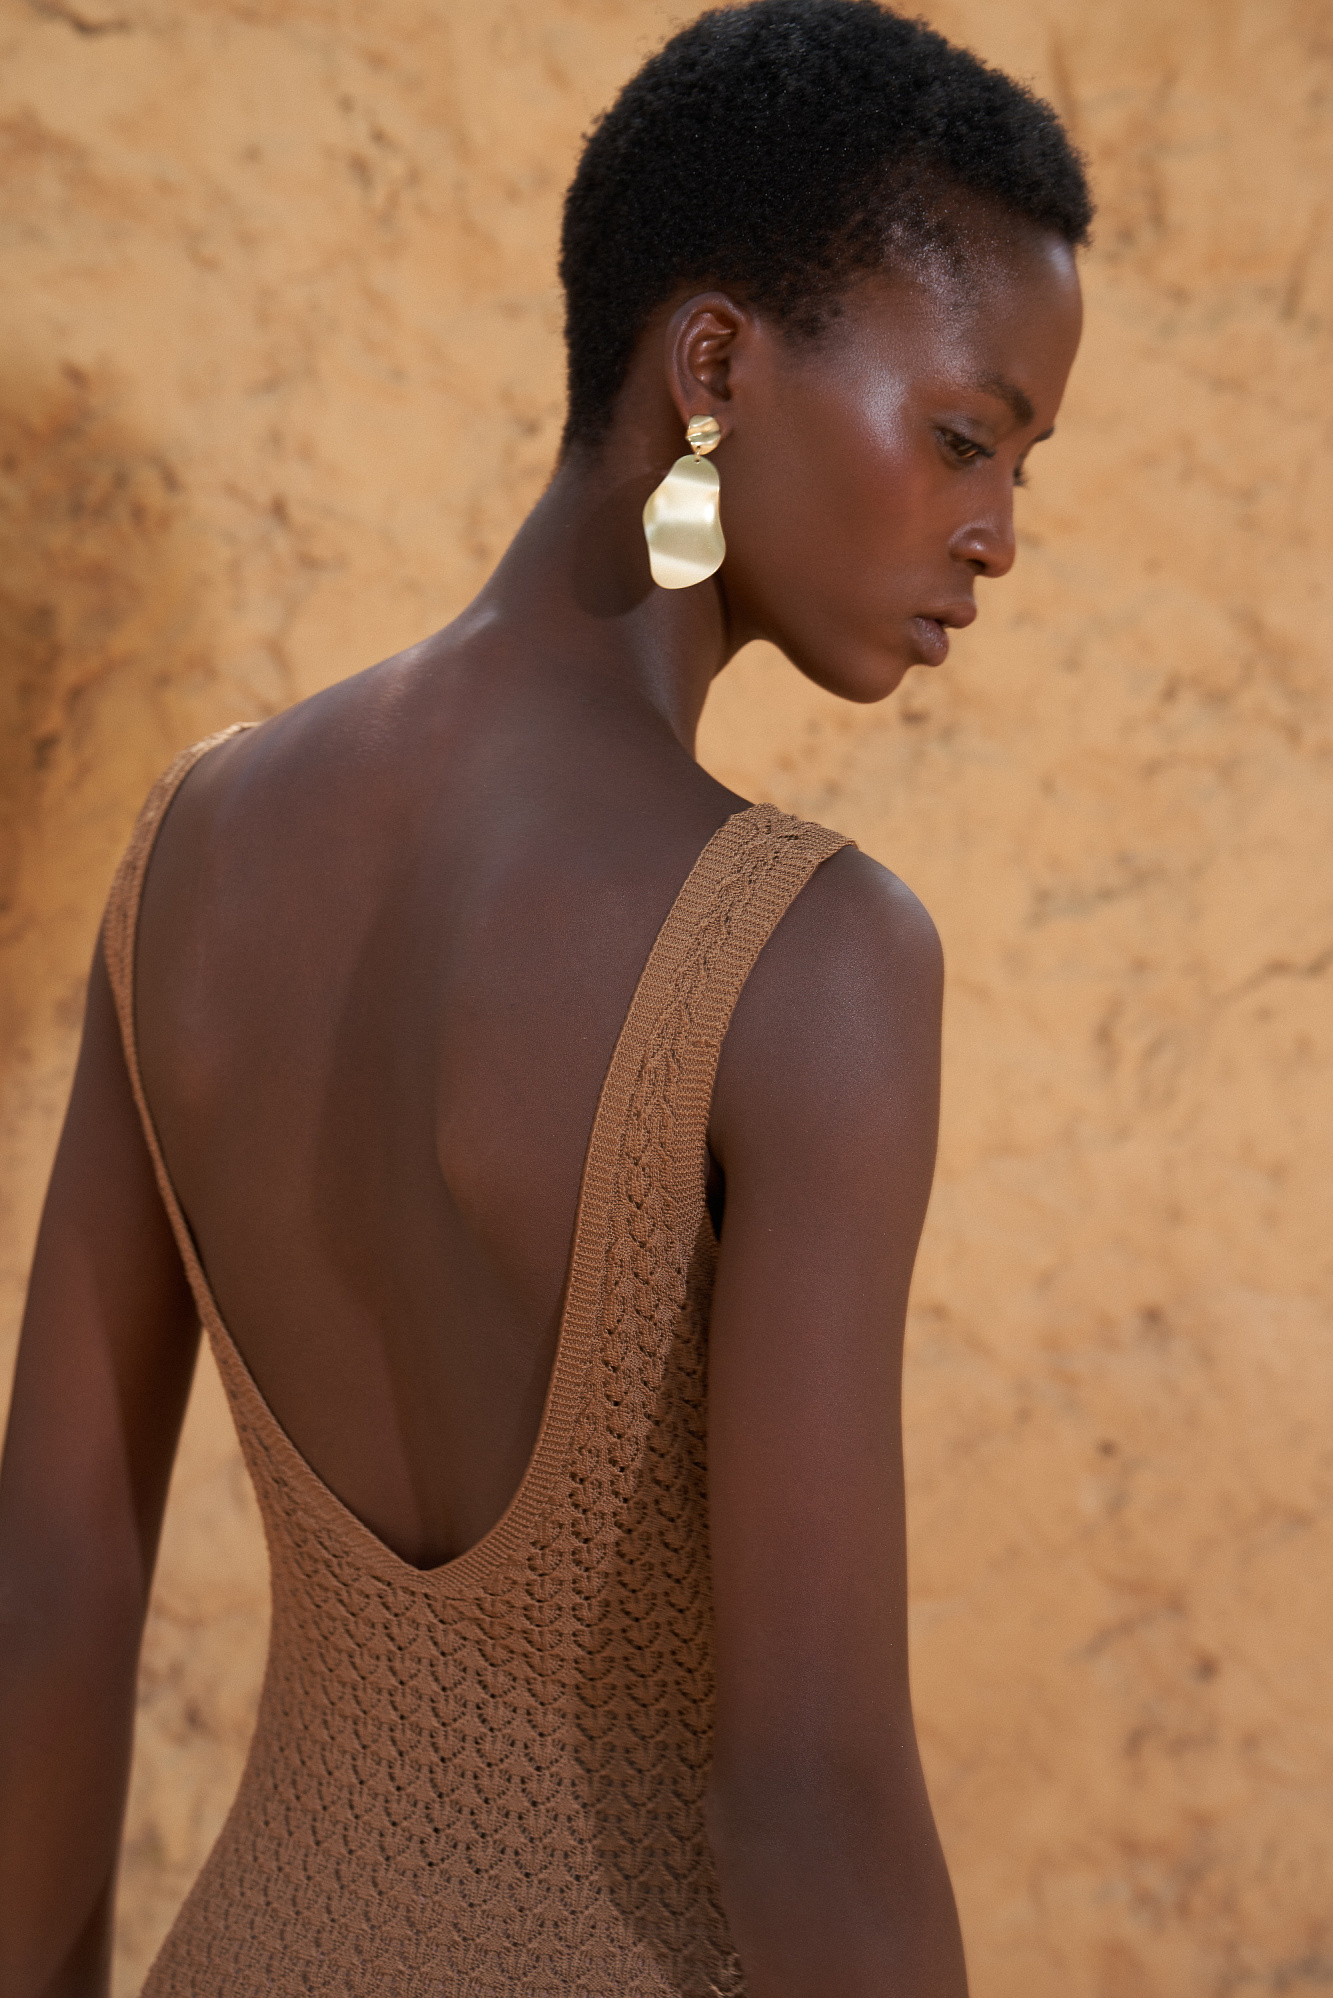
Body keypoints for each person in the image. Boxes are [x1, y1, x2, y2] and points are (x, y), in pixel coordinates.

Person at [0, 2, 1089, 1992]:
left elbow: (54, 1595)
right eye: (962, 435)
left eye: (1023, 464)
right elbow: (807, 1790)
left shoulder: (185, 857)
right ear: (712, 365)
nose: (998, 534)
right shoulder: (812, 958)